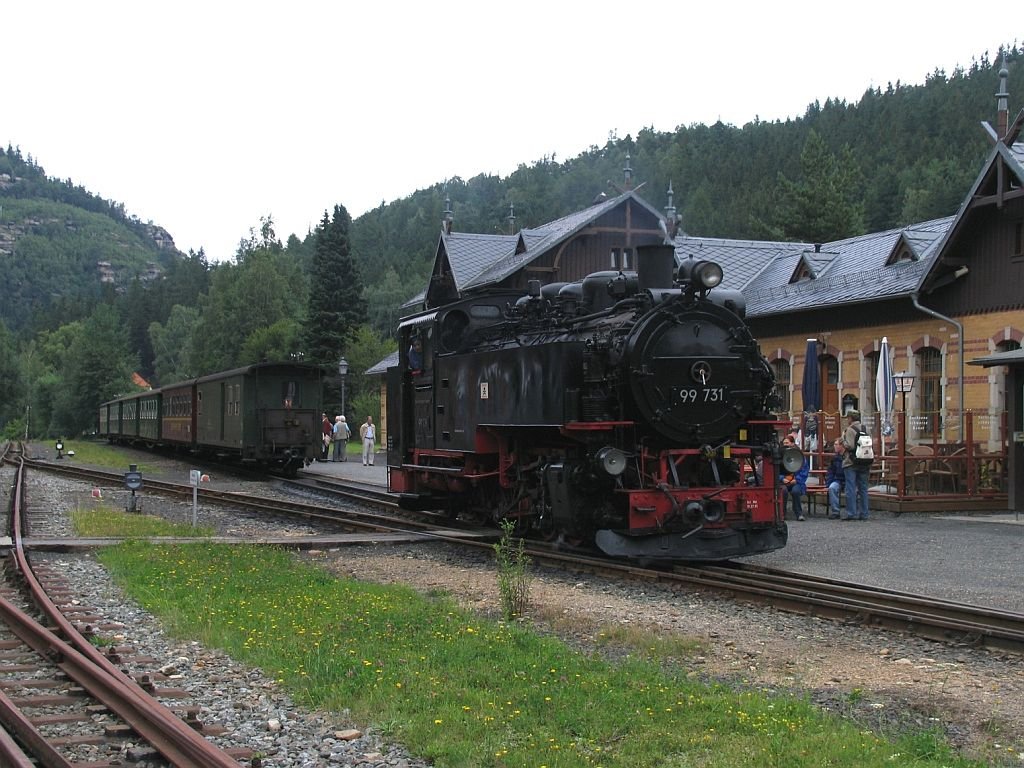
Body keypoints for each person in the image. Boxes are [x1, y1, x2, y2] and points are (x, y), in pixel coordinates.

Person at [842, 410, 870, 520]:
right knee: (863, 489)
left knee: (851, 488)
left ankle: (851, 513)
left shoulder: (850, 430)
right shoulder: (865, 428)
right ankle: (864, 513)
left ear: (850, 418)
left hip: (851, 462)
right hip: (865, 461)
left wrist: (843, 441)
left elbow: (850, 445)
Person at [779, 435, 808, 521]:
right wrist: (781, 478)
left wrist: (797, 479)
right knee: (783, 491)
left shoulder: (799, 455)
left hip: (796, 481)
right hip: (783, 481)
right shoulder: (779, 455)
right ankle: (782, 514)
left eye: (787, 443)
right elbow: (775, 470)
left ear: (792, 443)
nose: (785, 445)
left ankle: (799, 514)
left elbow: (804, 470)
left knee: (796, 491)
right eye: (784, 443)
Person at [825, 438, 846, 519]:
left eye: (836, 444)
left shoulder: (847, 457)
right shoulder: (835, 458)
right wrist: (828, 483)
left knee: (852, 491)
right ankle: (835, 511)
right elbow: (830, 471)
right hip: (837, 480)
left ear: (842, 446)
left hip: (848, 480)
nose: (835, 446)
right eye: (834, 444)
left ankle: (852, 512)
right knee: (832, 488)